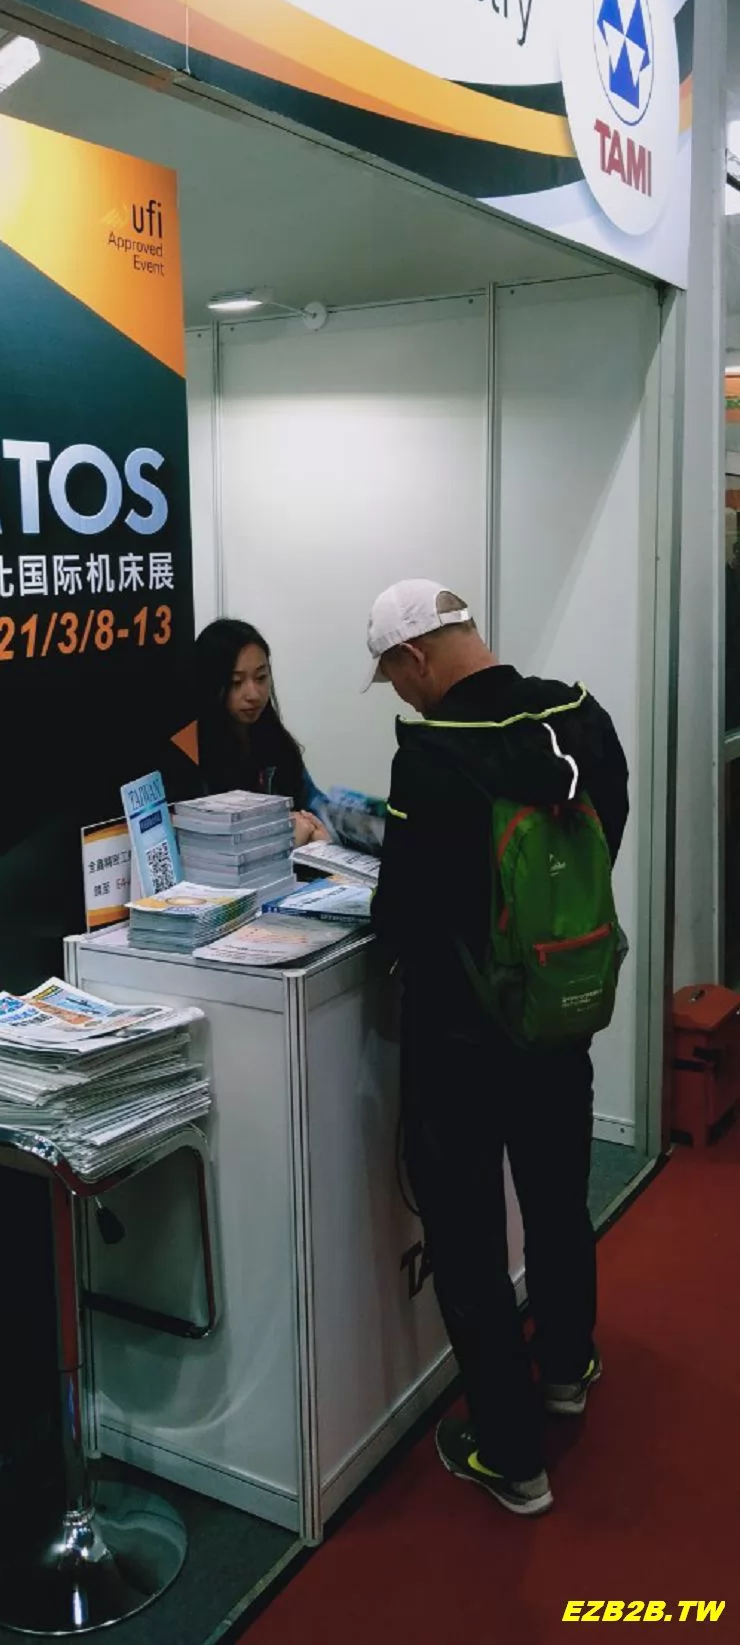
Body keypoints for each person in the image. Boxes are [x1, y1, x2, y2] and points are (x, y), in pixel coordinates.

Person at [366, 579, 629, 1518]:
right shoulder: (580, 715)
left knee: (469, 1238)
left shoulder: (433, 756)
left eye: (393, 675)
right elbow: (602, 842)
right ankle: (565, 1368)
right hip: (559, 1014)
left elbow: (400, 913)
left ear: (415, 657)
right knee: (557, 1199)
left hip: (462, 1040)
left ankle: (510, 1456)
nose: (399, 694)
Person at [195, 618, 330, 848]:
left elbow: (317, 806)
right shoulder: (193, 757)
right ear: (211, 685)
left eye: (261, 678)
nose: (254, 694)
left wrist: (322, 834)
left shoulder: (277, 743)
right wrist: (284, 841)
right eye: (236, 682)